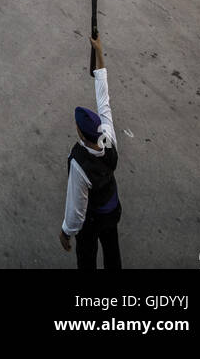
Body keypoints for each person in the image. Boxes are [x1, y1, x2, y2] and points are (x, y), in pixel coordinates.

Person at [60, 34, 122, 270]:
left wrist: (66, 232)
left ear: (82, 134)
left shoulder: (79, 163)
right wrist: (99, 52)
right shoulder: (108, 137)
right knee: (112, 252)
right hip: (112, 209)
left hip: (92, 219)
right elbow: (103, 99)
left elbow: (76, 210)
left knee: (87, 257)